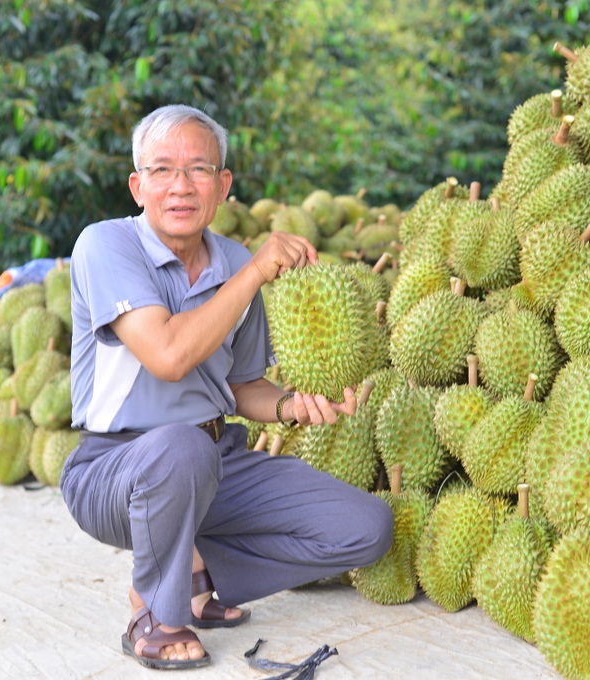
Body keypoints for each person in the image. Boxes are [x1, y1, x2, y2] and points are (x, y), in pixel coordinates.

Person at [59, 104, 394, 670]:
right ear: (138, 187)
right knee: (180, 447)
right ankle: (155, 615)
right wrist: (256, 273)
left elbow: (240, 387)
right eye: (163, 170)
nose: (181, 186)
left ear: (224, 186)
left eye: (199, 170)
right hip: (114, 472)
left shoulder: (236, 263)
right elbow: (168, 355)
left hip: (217, 463)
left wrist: (292, 404)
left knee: (366, 528)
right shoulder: (105, 245)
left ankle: (196, 572)